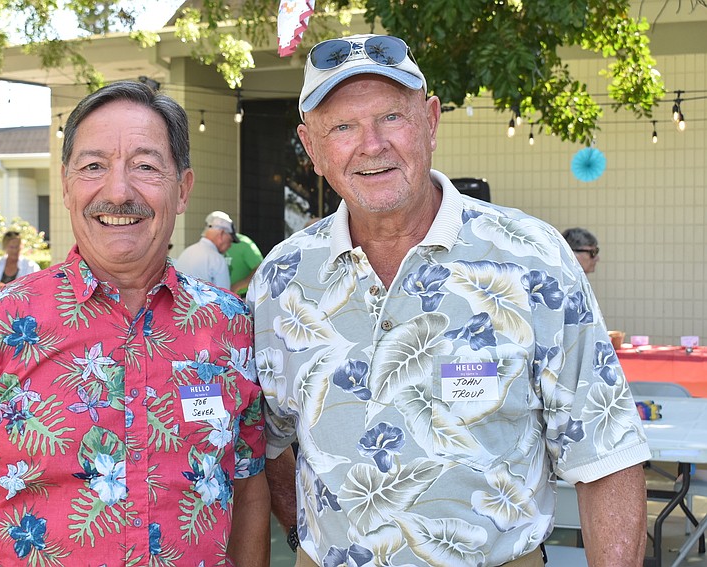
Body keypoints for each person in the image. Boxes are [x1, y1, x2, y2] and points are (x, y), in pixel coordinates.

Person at [248, 34, 650, 566]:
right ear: (312, 148)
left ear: (431, 121)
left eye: (392, 117)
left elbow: (607, 457)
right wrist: (305, 540)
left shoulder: (533, 260)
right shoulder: (281, 279)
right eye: (343, 127)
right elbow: (260, 441)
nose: (371, 145)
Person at [0, 81, 269, 566]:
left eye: (146, 166)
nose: (118, 191)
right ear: (68, 186)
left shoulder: (231, 327)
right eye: (93, 166)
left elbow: (248, 483)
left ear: (183, 190)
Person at [175, 210, 239, 289]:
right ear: (221, 234)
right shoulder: (217, 259)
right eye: (230, 240)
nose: (230, 245)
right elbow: (224, 297)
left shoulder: (186, 252)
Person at [226, 231, 264, 297]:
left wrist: (236, 287)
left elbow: (261, 270)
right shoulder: (209, 247)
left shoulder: (243, 243)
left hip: (244, 298)